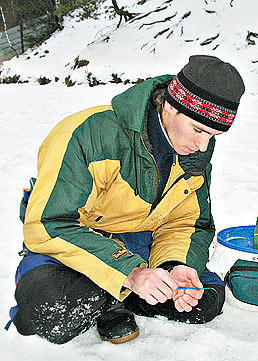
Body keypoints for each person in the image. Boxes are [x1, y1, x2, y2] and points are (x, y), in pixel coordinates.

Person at [7, 55, 245, 344]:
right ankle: (113, 295)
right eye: (198, 130)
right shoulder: (86, 134)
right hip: (73, 245)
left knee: (205, 300)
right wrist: (129, 273)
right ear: (170, 106)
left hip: (139, 244)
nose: (202, 146)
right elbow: (48, 224)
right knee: (50, 310)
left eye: (214, 135)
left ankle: (120, 295)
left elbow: (187, 223)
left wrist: (173, 266)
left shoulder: (195, 154)